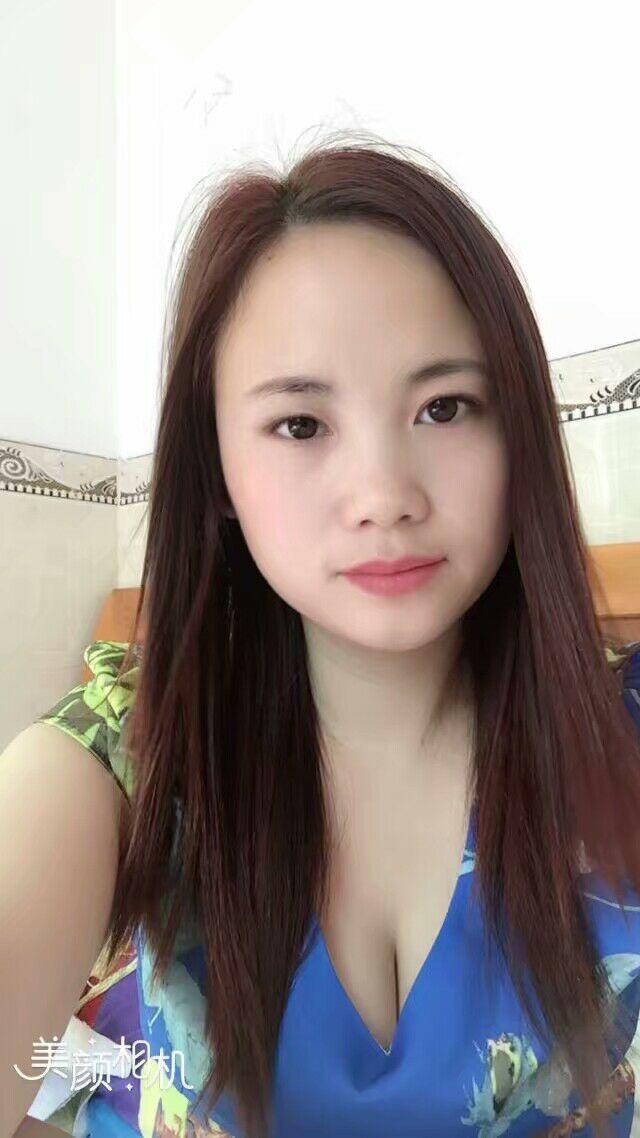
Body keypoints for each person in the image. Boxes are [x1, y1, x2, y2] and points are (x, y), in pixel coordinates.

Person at [2, 131, 640, 1138]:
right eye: (300, 425)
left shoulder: (621, 733)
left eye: (445, 407)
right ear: (215, 469)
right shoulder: (116, 758)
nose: (384, 495)